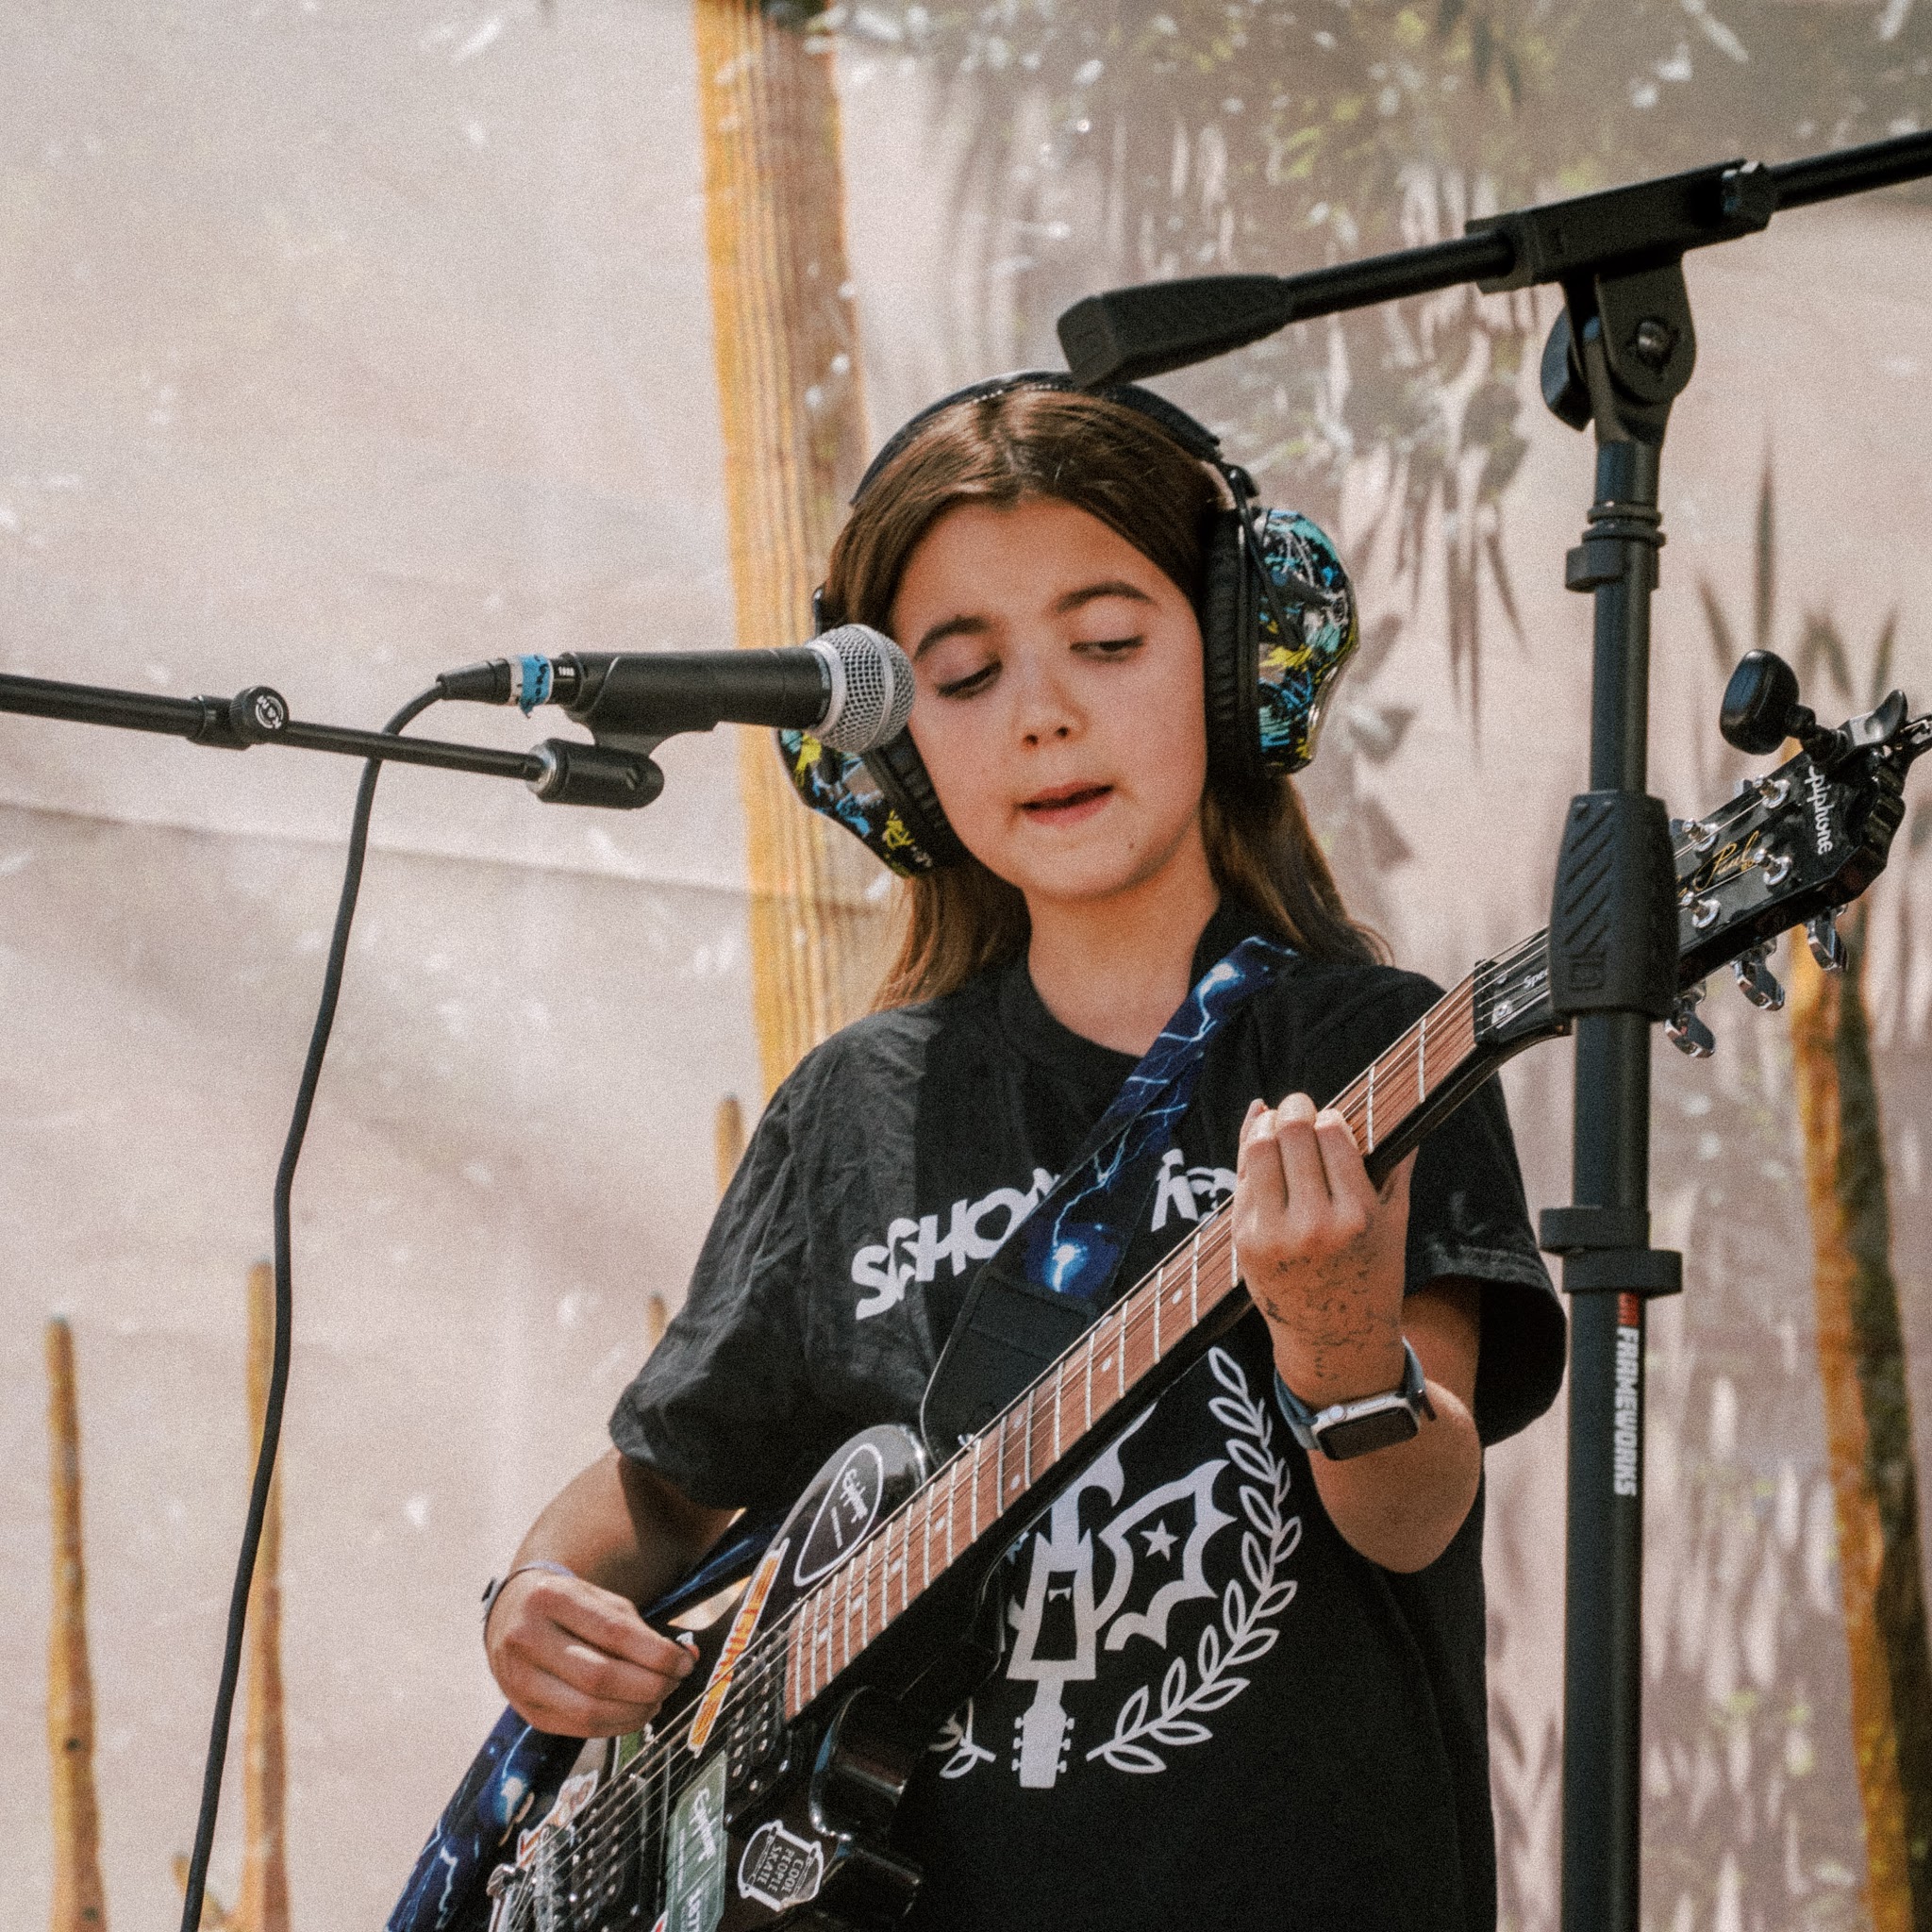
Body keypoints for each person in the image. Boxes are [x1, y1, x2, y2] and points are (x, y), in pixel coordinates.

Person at [482, 379, 1565, 1930]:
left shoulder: (1374, 1050)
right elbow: (660, 1491)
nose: (1042, 716)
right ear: (890, 742)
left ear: (1237, 659)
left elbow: (1413, 1512)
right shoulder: (854, 1108)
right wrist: (536, 1595)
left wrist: (1336, 1346)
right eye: (964, 675)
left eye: (1108, 643)